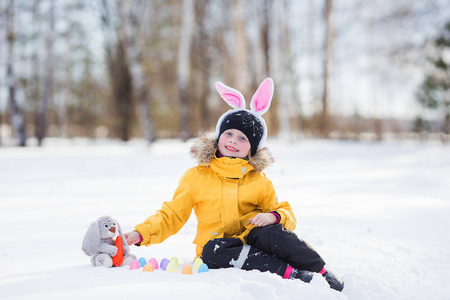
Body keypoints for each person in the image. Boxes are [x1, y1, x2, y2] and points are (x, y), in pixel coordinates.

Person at [125, 78, 344, 292]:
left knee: (273, 233)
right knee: (212, 251)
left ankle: (321, 271)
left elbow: (285, 212)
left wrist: (273, 217)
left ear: (252, 148)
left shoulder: (258, 180)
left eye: (243, 138)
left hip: (253, 240)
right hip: (219, 248)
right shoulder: (197, 176)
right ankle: (289, 272)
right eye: (228, 133)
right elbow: (171, 214)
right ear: (219, 136)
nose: (233, 141)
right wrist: (140, 233)